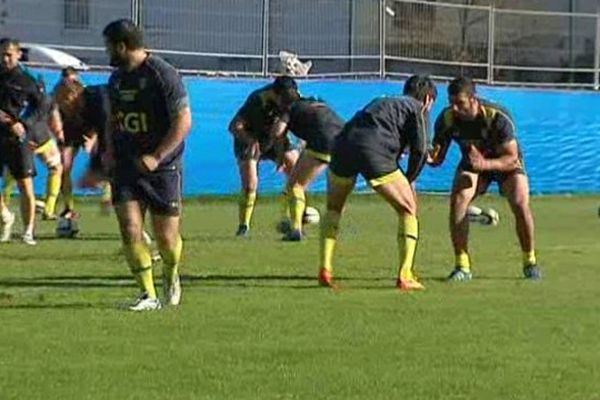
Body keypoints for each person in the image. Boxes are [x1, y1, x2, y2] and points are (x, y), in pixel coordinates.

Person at [102, 19, 192, 311]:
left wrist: (157, 156)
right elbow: (112, 120)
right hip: (127, 165)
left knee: (166, 240)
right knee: (130, 228)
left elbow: (183, 122)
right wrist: (109, 151)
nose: (107, 53)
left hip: (163, 168)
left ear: (121, 46)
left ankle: (171, 273)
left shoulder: (163, 74)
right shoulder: (116, 79)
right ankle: (147, 295)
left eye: (108, 46)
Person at [318, 75, 436, 291]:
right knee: (408, 209)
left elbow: (380, 128)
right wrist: (409, 179)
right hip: (373, 149)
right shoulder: (419, 108)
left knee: (334, 208)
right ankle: (405, 275)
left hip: (343, 144)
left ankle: (325, 268)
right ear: (428, 99)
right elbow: (420, 151)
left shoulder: (384, 100)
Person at [429, 76, 541, 281]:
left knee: (520, 201)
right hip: (473, 164)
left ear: (474, 99)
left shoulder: (497, 117)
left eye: (460, 103)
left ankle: (530, 261)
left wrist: (485, 164)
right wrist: (426, 156)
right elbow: (437, 157)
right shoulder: (447, 119)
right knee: (458, 200)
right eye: (451, 103)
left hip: (505, 164)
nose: (454, 108)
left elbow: (512, 157)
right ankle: (462, 266)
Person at [228, 76, 301, 237]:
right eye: (285, 99)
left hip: (274, 139)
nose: (288, 102)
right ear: (275, 94)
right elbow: (234, 126)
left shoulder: (290, 101)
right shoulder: (257, 101)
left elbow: (282, 132)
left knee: (297, 171)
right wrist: (250, 141)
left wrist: (282, 155)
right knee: (250, 184)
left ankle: (289, 219)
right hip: (249, 139)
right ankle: (243, 226)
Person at [269, 96, 344, 241]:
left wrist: (279, 155)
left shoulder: (289, 108)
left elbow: (278, 132)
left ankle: (296, 229)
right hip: (344, 138)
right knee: (339, 188)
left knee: (295, 185)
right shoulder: (320, 105)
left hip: (323, 140)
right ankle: (332, 226)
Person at [0, 38, 46, 245]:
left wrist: (25, 125)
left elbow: (41, 107)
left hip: (18, 139)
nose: (4, 58)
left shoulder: (27, 79)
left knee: (25, 184)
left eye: (9, 54)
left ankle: (28, 231)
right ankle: (6, 215)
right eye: (1, 54)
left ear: (18, 54)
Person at [2, 75, 64, 221]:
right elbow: (56, 123)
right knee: (55, 168)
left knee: (12, 176)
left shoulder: (19, 96)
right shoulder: (47, 99)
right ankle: (49, 208)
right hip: (40, 138)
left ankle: (5, 207)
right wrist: (59, 135)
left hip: (24, 137)